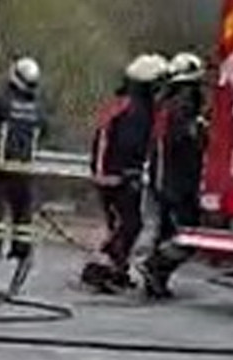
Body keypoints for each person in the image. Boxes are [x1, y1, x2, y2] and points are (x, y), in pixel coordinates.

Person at [83, 53, 168, 293]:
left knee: (121, 224)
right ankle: (103, 266)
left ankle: (115, 268)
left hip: (112, 174)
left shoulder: (123, 103)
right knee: (129, 224)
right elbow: (130, 143)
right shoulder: (136, 110)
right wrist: (131, 173)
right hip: (118, 176)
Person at [139, 52, 208, 299]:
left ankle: (156, 279)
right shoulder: (183, 103)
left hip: (165, 180)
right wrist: (202, 129)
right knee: (188, 235)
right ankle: (155, 267)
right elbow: (185, 140)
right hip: (176, 183)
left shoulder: (167, 102)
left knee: (167, 232)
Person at [0, 57, 46, 260]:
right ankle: (21, 246)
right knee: (23, 207)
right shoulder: (39, 108)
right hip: (26, 166)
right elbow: (44, 131)